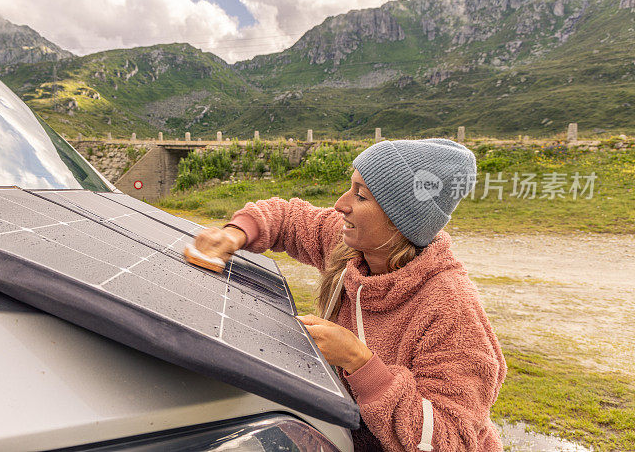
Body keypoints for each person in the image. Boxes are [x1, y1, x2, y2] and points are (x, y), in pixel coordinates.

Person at [193, 139, 506, 452]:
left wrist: (359, 362)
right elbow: (288, 217)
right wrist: (235, 233)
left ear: (401, 220)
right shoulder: (353, 249)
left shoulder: (451, 311)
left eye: (361, 195)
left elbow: (450, 441)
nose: (341, 204)